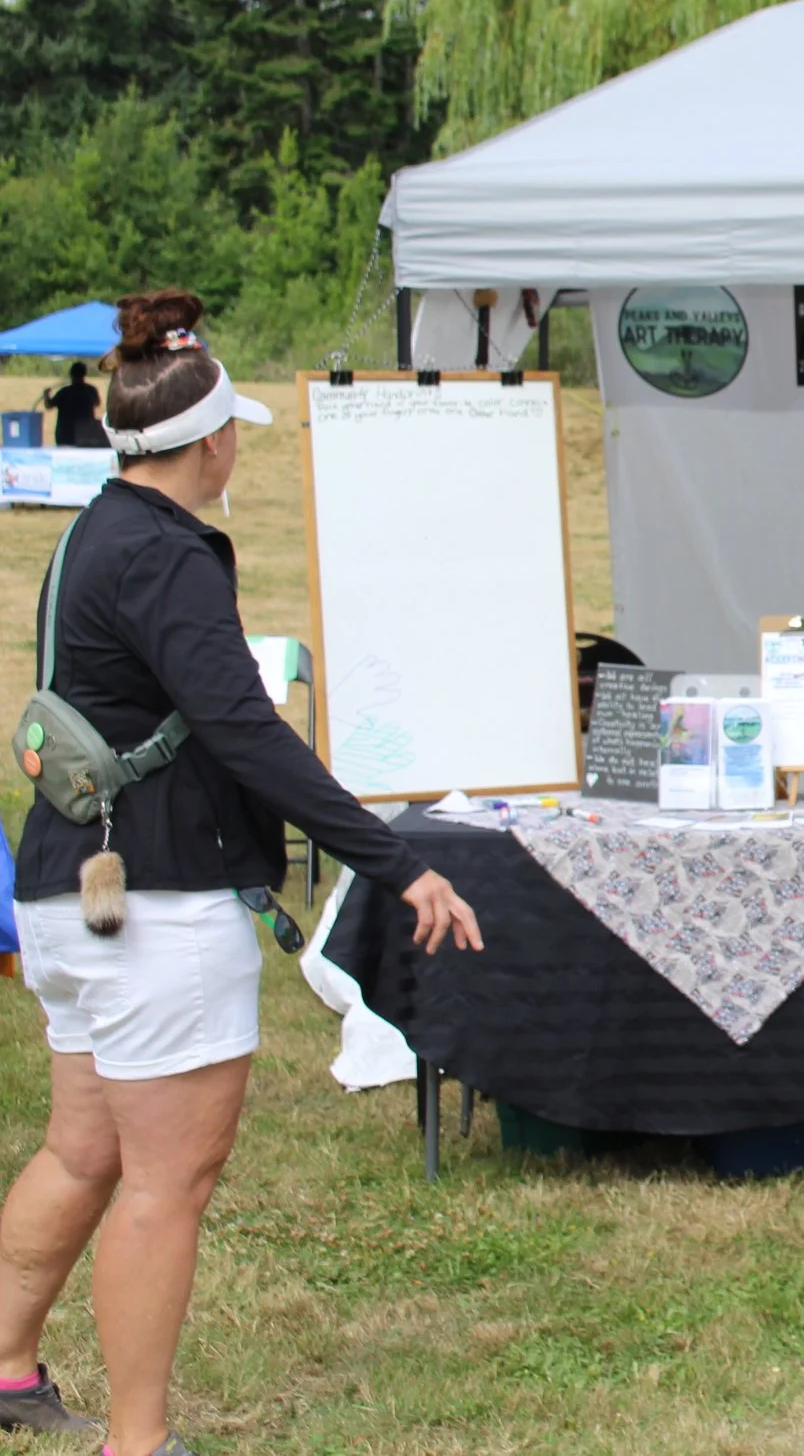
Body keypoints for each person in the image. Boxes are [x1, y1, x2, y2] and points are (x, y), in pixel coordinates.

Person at [0, 291, 483, 1456]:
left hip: (73, 887)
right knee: (170, 1176)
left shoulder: (92, 532)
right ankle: (141, 1439)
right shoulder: (168, 554)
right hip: (156, 903)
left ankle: (9, 1369)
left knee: (85, 1147)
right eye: (236, 436)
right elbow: (244, 731)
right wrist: (394, 859)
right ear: (209, 438)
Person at [42, 362, 103, 448]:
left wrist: (46, 395)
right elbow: (97, 403)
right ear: (85, 374)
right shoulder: (91, 390)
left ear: (71, 374)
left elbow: (49, 405)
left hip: (65, 434)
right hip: (86, 434)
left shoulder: (64, 392)